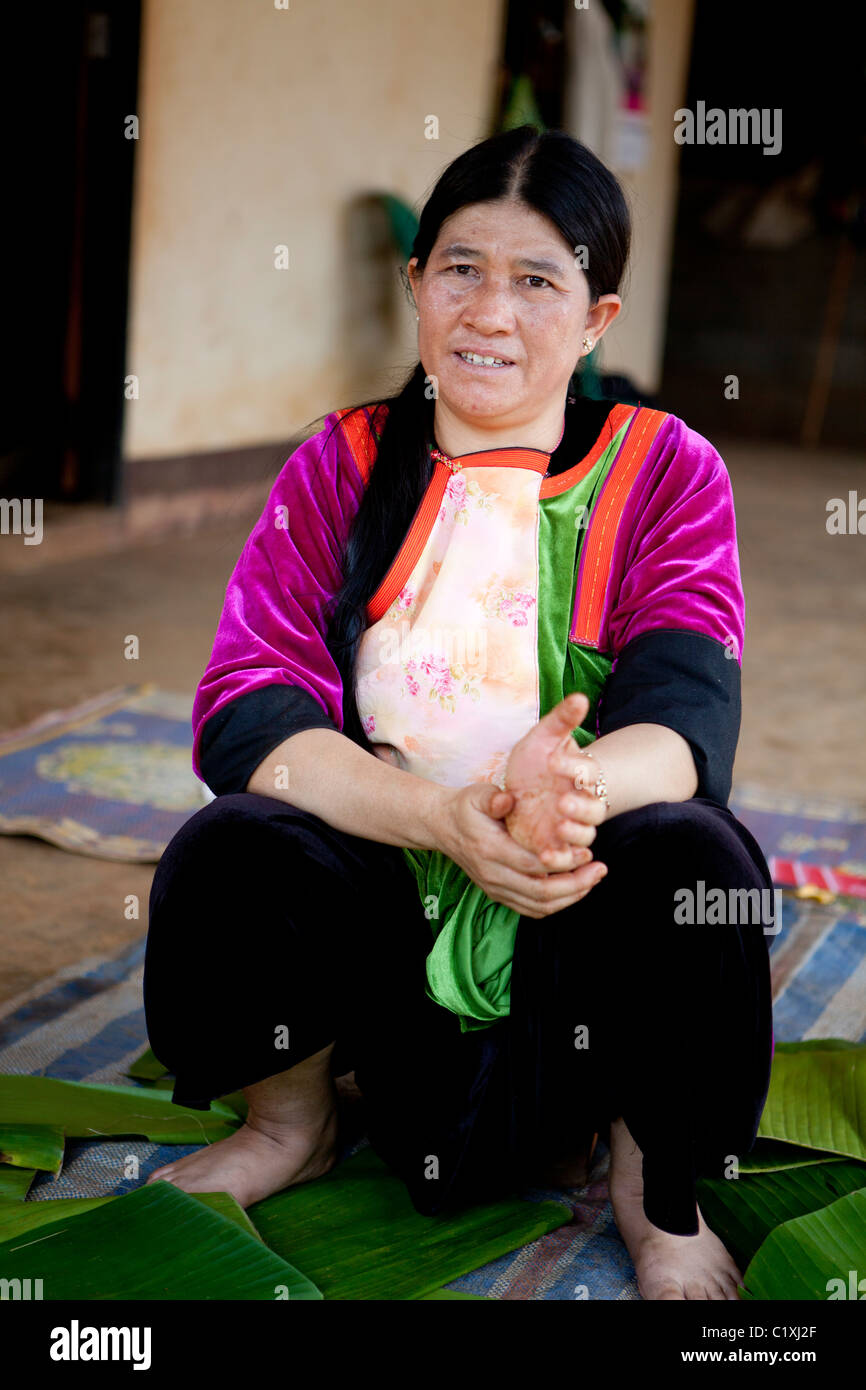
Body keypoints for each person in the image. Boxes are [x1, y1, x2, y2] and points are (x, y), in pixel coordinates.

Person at [143, 125, 774, 1300]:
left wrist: (565, 793)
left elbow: (685, 723)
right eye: (460, 270)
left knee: (696, 853)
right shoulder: (339, 463)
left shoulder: (665, 469)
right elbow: (248, 713)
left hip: (569, 918)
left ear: (595, 317)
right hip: (387, 929)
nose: (490, 312)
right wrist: (440, 815)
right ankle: (292, 1122)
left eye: (537, 281)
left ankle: (655, 1182)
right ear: (414, 286)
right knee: (230, 846)